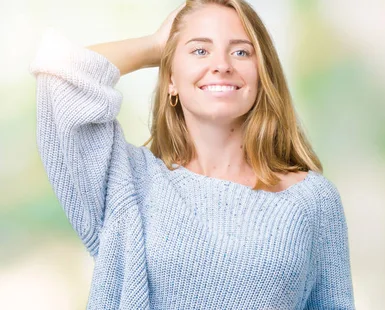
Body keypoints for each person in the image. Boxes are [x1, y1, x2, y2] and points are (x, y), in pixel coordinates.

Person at [30, 0, 355, 309]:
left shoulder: (312, 200)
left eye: (241, 52)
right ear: (170, 78)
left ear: (262, 74)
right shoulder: (129, 185)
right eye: (200, 50)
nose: (222, 65)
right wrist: (154, 46)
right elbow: (60, 72)